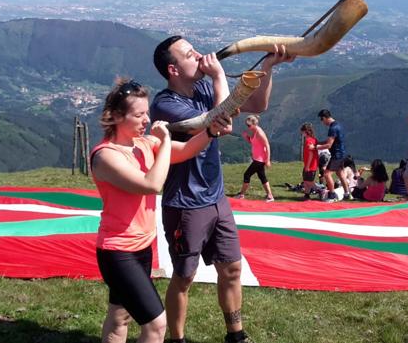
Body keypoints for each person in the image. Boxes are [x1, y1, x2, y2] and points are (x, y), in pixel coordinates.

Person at [150, 35, 293, 343]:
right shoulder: (165, 104)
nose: (200, 55)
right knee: (184, 276)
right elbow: (221, 121)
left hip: (216, 197)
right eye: (190, 54)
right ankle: (177, 339)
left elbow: (258, 104)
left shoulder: (203, 87)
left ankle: (236, 335)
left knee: (231, 269)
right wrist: (218, 76)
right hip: (185, 202)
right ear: (173, 70)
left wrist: (268, 65)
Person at [91, 78, 224, 343]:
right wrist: (163, 142)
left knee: (120, 316)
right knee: (156, 325)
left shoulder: (144, 143)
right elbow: (151, 185)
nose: (146, 120)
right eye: (139, 115)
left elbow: (186, 150)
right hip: (117, 252)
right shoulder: (106, 156)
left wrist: (210, 132)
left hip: (141, 247)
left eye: (147, 113)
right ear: (116, 116)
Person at [235, 115, 274, 202]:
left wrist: (267, 160)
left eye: (249, 125)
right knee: (262, 176)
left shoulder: (259, 133)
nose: (248, 127)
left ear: (254, 124)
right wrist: (246, 137)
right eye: (247, 125)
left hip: (260, 159)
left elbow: (267, 145)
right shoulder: (254, 131)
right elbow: (254, 143)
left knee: (247, 175)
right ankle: (270, 196)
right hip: (257, 158)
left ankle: (242, 194)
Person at [315, 109, 351, 202]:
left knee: (326, 174)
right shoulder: (338, 125)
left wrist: (316, 147)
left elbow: (329, 145)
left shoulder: (332, 128)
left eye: (321, 120)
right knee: (340, 173)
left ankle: (332, 195)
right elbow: (330, 141)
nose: (322, 122)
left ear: (324, 118)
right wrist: (318, 143)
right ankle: (347, 194)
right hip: (342, 153)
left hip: (336, 154)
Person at [300, 122, 319, 201]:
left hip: (310, 165)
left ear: (305, 131)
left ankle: (320, 190)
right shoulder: (314, 139)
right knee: (305, 180)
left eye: (302, 132)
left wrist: (307, 166)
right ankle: (307, 195)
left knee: (309, 181)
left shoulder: (308, 141)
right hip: (310, 164)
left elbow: (311, 154)